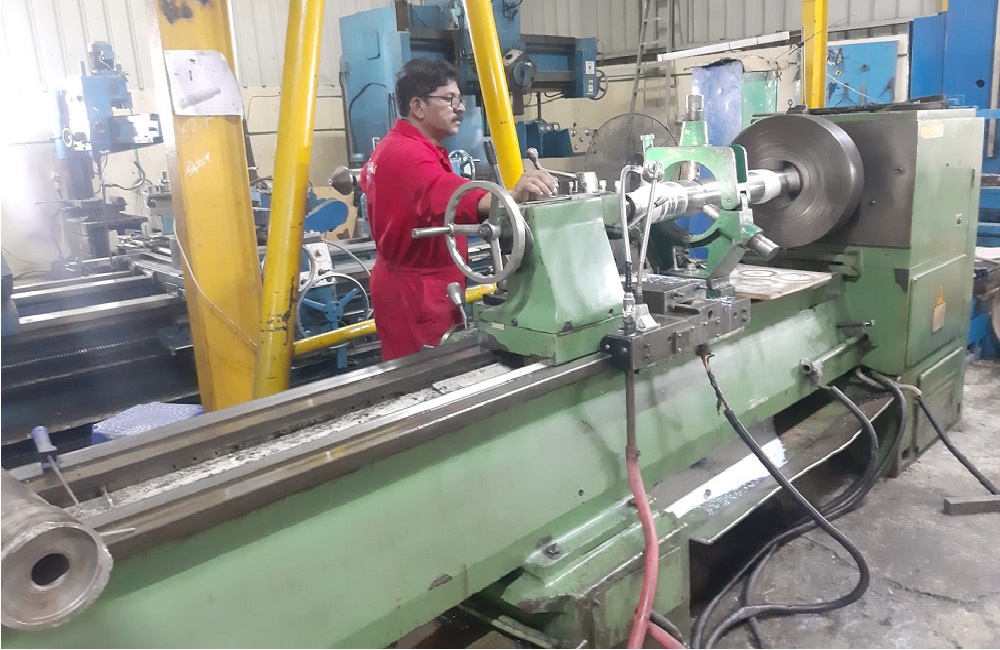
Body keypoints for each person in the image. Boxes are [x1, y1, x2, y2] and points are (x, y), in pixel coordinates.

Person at [360, 58, 557, 361]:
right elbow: (453, 197)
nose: (460, 108)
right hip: (419, 293)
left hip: (413, 284)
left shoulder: (398, 146)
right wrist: (512, 196)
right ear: (418, 106)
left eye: (459, 99)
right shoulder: (407, 154)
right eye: (449, 99)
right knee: (424, 375)